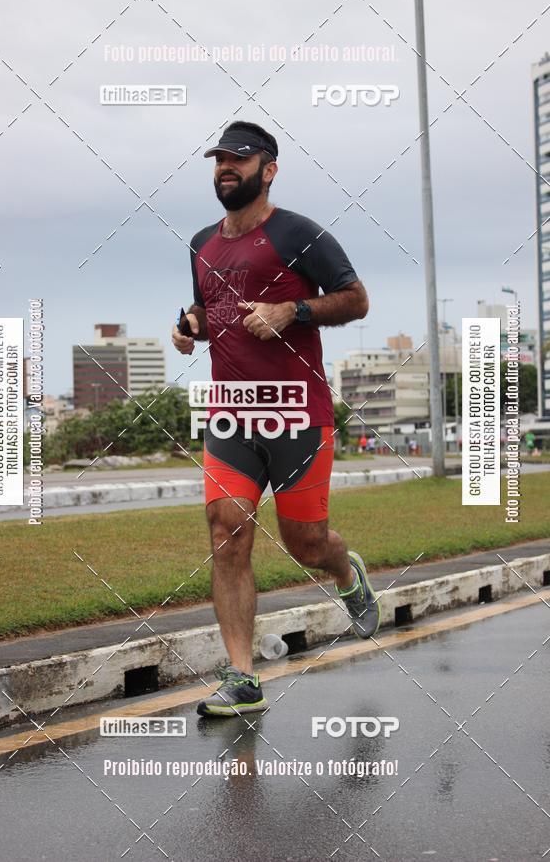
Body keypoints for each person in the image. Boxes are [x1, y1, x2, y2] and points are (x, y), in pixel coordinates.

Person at [171, 121, 381, 718]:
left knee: (306, 544)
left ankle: (347, 571)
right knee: (225, 533)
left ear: (270, 169)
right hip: (232, 417)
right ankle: (243, 678)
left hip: (297, 417)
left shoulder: (298, 233)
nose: (225, 168)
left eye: (239, 159)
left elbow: (356, 298)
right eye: (219, 160)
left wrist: (294, 309)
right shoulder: (201, 244)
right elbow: (213, 312)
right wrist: (191, 328)